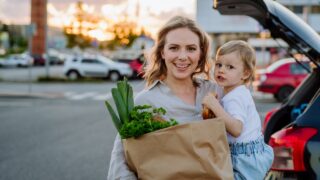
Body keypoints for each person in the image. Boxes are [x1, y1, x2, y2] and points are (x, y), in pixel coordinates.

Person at [107, 16, 221, 179]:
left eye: (191, 48)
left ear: (201, 53)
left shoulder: (215, 92)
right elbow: (120, 162)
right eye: (174, 48)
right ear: (162, 52)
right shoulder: (146, 101)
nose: (182, 56)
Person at [202, 40, 274, 179]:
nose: (222, 70)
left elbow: (236, 129)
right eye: (219, 64)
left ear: (245, 74)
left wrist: (215, 106)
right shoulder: (235, 91)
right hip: (251, 154)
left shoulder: (235, 97)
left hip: (243, 159)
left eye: (230, 67)